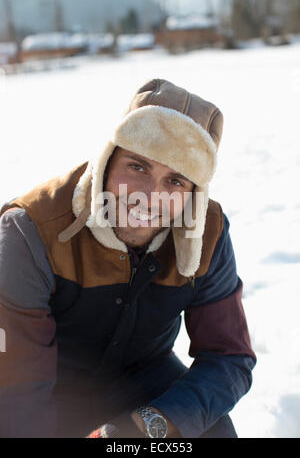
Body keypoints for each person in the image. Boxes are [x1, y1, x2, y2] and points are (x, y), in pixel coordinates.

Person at [0, 78, 256, 438]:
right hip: (40, 388)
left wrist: (149, 427)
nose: (149, 197)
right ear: (107, 159)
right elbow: (14, 380)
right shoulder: (30, 231)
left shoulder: (208, 234)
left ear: (193, 194)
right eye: (137, 166)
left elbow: (228, 357)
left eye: (176, 181)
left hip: (141, 384)